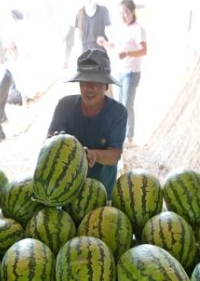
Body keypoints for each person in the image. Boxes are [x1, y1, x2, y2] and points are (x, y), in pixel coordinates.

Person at [48, 49, 128, 197]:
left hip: (101, 192)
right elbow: (49, 144)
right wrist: (54, 143)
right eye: (84, 81)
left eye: (96, 82)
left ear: (106, 85)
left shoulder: (118, 113)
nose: (89, 87)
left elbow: (114, 155)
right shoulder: (65, 105)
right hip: (66, 192)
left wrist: (88, 154)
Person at [97, 0, 146, 145]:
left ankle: (129, 138)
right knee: (119, 105)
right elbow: (115, 45)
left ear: (132, 11)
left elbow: (144, 50)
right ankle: (120, 134)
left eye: (126, 12)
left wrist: (126, 53)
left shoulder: (138, 29)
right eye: (120, 13)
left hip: (131, 72)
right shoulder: (121, 29)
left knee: (127, 104)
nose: (123, 16)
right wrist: (104, 43)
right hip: (119, 71)